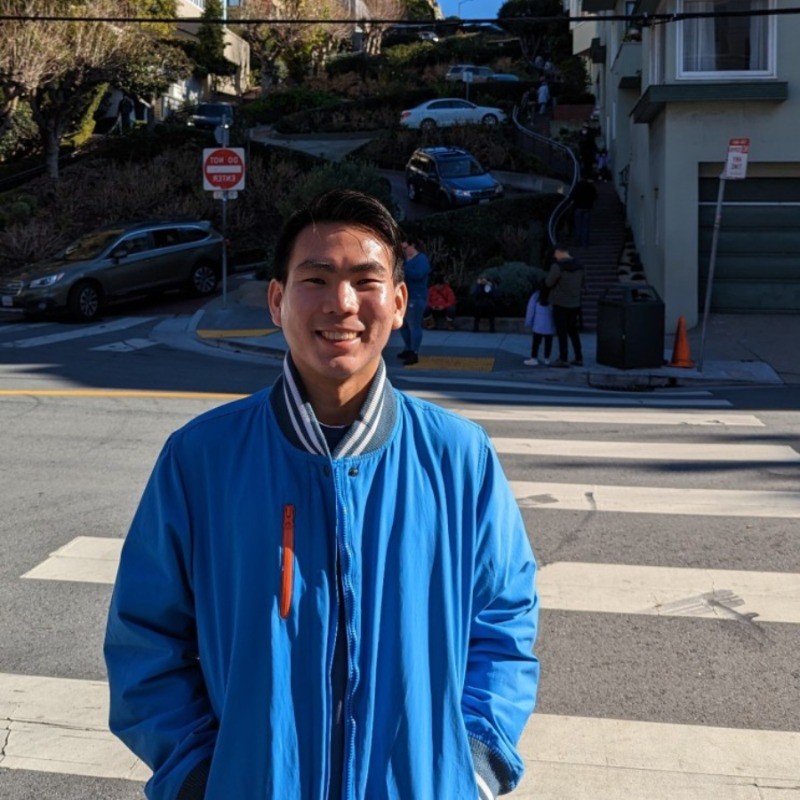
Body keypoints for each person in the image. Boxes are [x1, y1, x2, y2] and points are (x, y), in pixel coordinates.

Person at [104, 189, 539, 800]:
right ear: (278, 300)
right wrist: (201, 778)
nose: (342, 304)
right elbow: (145, 639)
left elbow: (503, 624)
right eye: (316, 278)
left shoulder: (458, 457)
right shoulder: (200, 459)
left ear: (398, 300)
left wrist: (472, 766)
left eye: (366, 280)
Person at [546, 242, 585, 367]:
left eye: (555, 254)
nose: (555, 257)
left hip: (560, 303)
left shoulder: (557, 267)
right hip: (575, 303)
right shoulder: (579, 265)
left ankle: (563, 358)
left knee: (562, 332)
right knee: (573, 331)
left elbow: (548, 283)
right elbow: (583, 282)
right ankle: (579, 357)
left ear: (559, 252)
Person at [397, 234, 430, 366]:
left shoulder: (421, 259)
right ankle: (408, 348)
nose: (404, 251)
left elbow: (419, 275)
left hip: (416, 296)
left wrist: (403, 270)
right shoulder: (406, 260)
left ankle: (414, 352)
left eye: (405, 248)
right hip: (406, 296)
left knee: (413, 325)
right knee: (404, 325)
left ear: (413, 246)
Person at [523, 280, 555, 366]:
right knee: (548, 342)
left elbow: (530, 310)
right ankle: (547, 358)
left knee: (536, 342)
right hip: (550, 325)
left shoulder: (536, 296)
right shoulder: (553, 296)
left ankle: (534, 358)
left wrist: (528, 322)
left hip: (538, 324)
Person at [570, 177, 598, 247]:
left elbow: (572, 196)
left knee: (578, 226)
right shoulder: (590, 186)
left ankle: (578, 242)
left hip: (578, 207)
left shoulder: (577, 186)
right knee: (586, 226)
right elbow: (595, 196)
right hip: (587, 207)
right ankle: (585, 243)